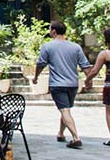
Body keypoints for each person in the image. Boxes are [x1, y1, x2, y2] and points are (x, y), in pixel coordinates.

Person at [33, 20, 91, 149]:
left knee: (64, 110)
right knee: (66, 110)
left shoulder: (48, 47)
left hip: (57, 84)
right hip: (73, 84)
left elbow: (40, 64)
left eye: (49, 29)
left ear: (53, 31)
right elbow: (85, 65)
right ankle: (60, 133)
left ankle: (76, 138)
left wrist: (36, 77)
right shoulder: (75, 47)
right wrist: (89, 79)